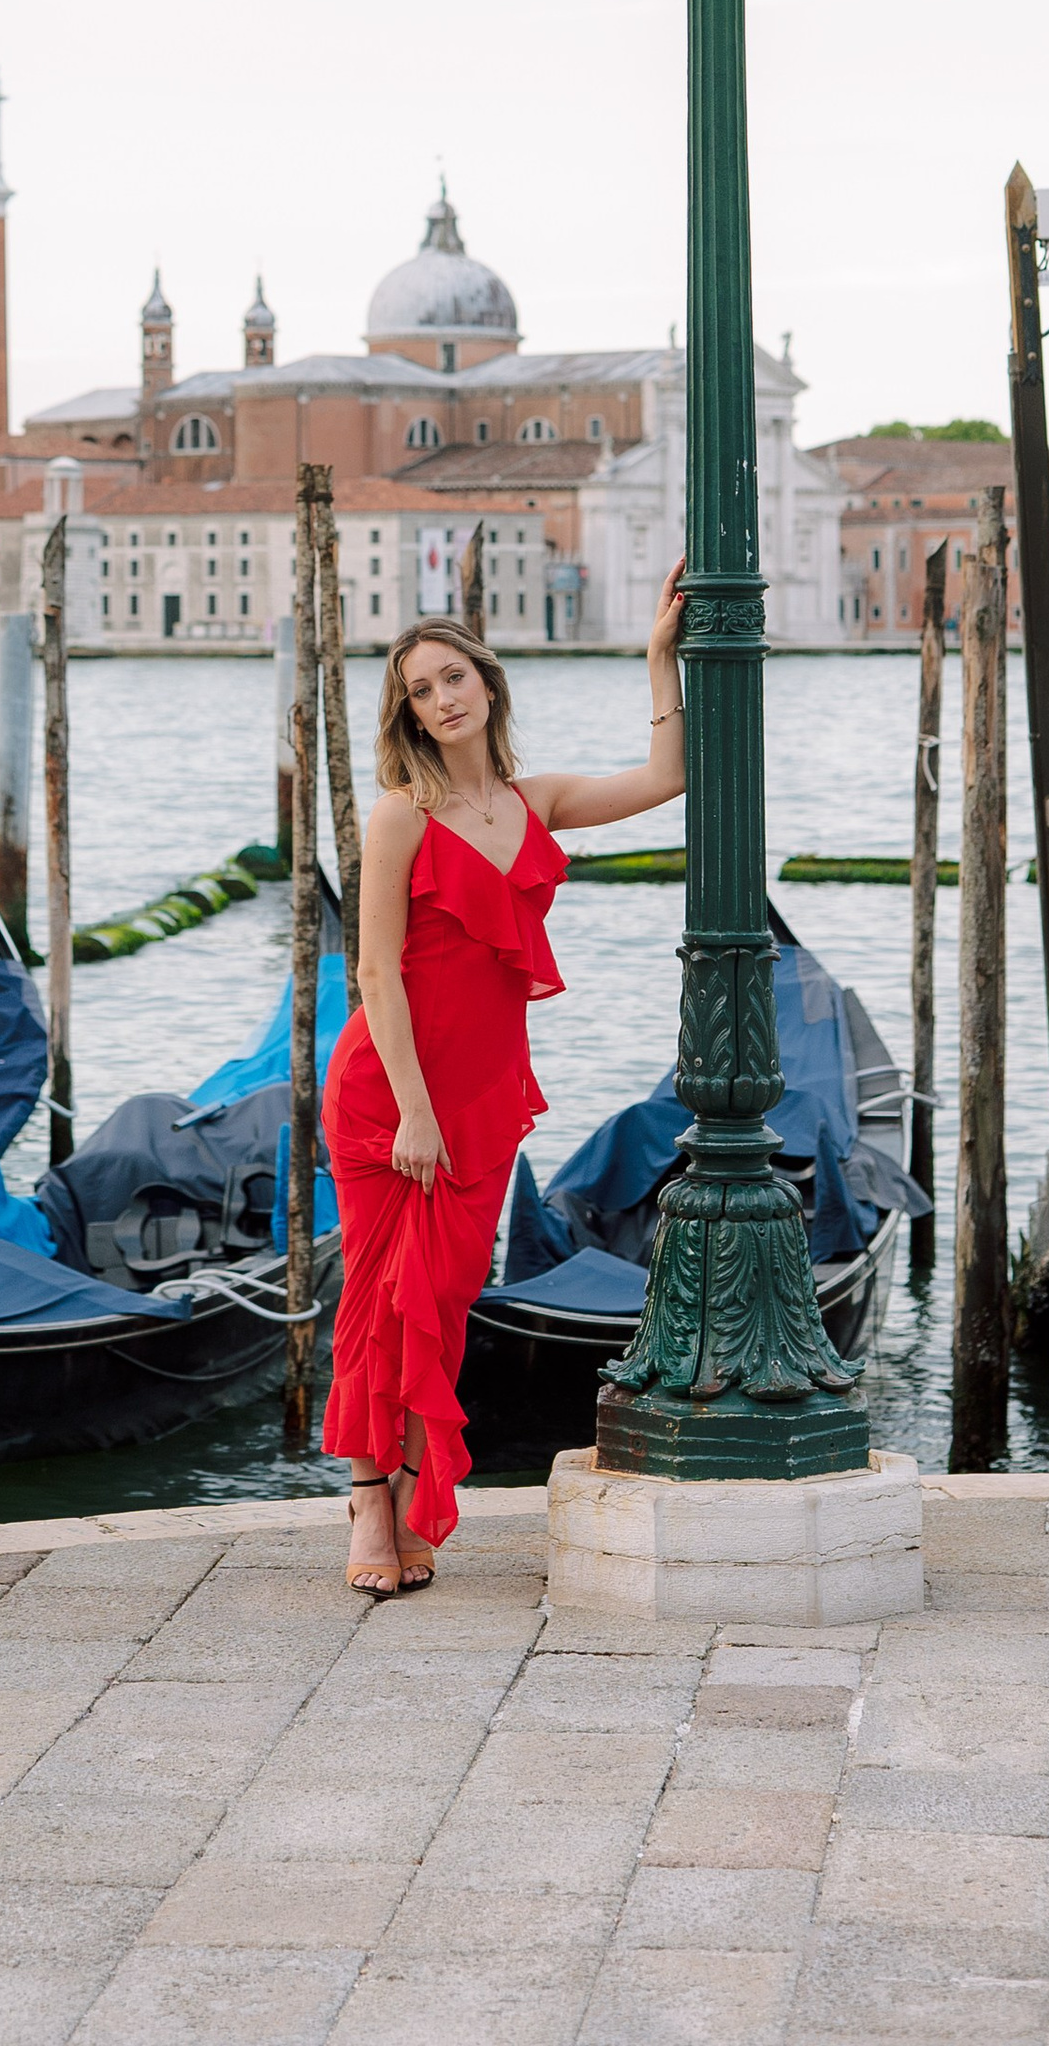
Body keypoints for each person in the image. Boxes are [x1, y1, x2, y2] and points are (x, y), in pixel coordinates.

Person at [324, 563, 688, 1600]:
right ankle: (371, 1501)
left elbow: (668, 776)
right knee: (382, 1297)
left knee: (441, 1298)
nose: (442, 698)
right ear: (408, 714)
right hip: (390, 1095)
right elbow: (376, 974)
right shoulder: (399, 815)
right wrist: (414, 1113)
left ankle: (407, 1492)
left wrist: (657, 656)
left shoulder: (540, 801)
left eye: (454, 677)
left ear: (486, 682)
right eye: (420, 690)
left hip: (482, 1097)